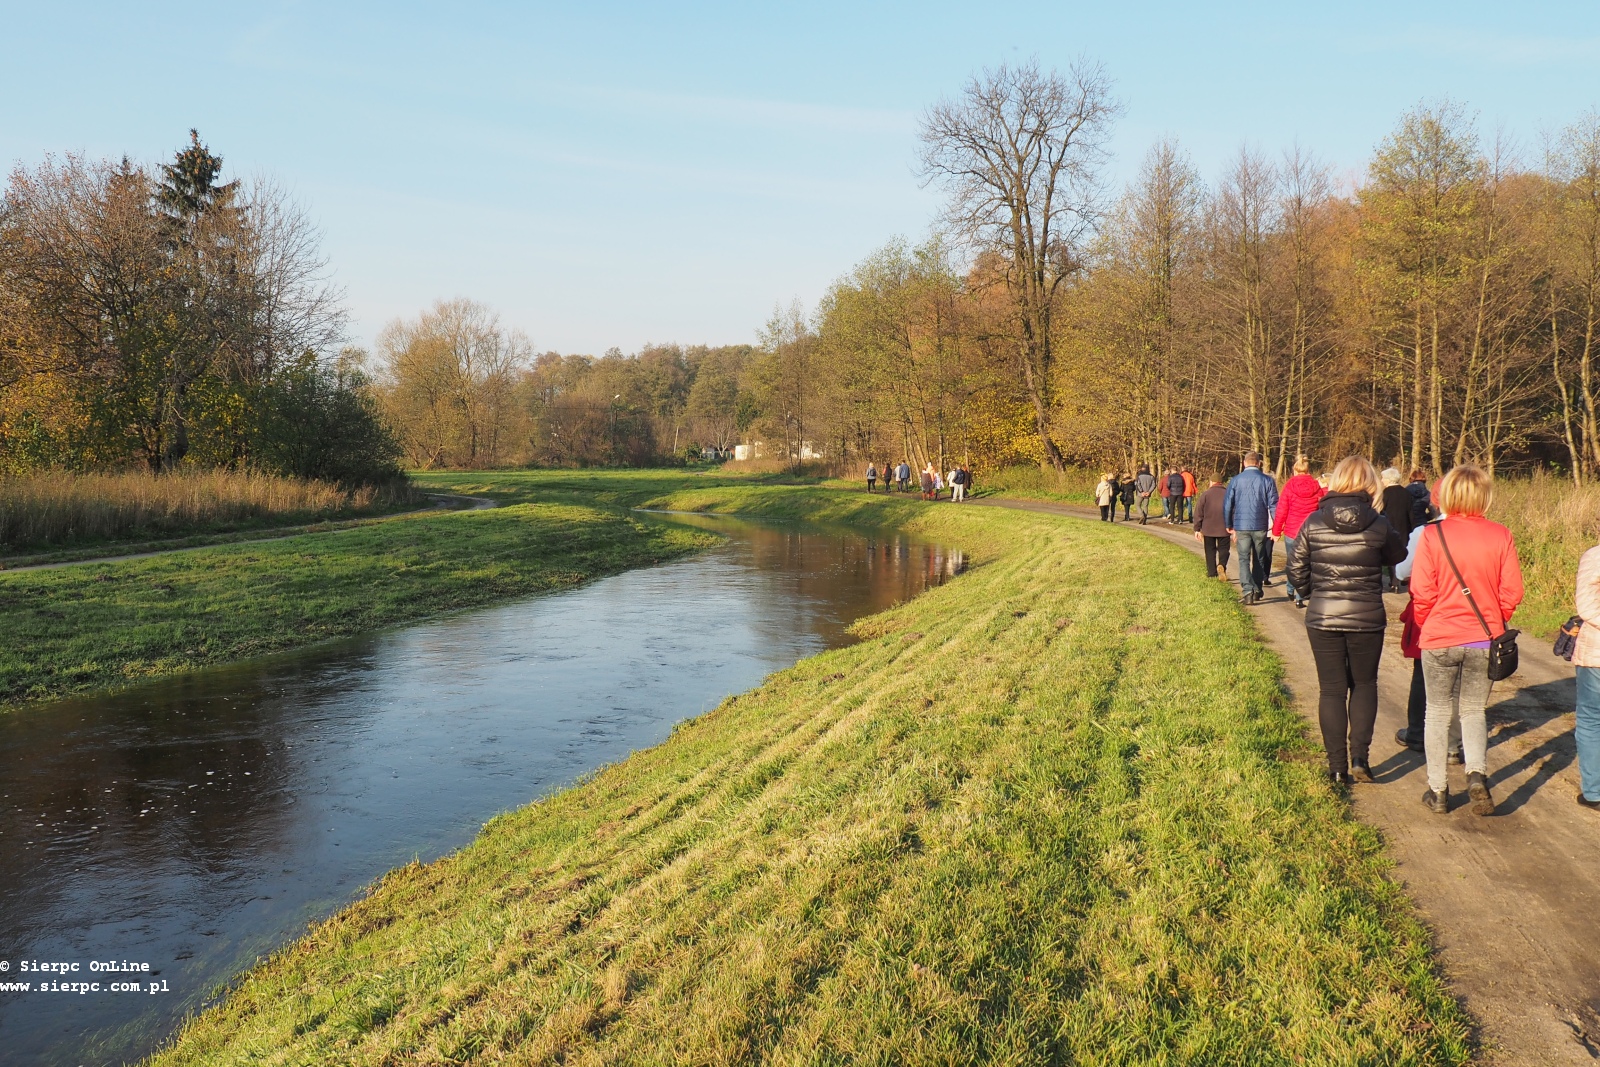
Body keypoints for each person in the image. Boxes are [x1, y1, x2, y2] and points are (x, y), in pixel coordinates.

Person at [1409, 464, 1524, 816]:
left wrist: (1427, 622)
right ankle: (1476, 774)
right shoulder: (1501, 534)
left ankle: (1438, 790)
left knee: (1438, 712)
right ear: (1484, 496)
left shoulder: (1432, 535)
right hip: (1483, 637)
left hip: (1440, 635)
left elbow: (1421, 591)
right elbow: (1512, 592)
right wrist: (1493, 616)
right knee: (1474, 710)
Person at [1286, 456, 1407, 786]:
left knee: (1332, 690)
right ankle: (1360, 761)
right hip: (1367, 616)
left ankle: (1337, 768)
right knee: (1364, 685)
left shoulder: (1313, 522)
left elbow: (1295, 570)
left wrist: (1315, 592)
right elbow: (1398, 555)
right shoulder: (1379, 524)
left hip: (1323, 617)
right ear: (1371, 484)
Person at [1225, 452, 1280, 605]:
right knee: (1259, 557)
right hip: (1260, 525)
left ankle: (1248, 591)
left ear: (1244, 463)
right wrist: (1277, 525)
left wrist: (1228, 524)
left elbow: (1228, 504)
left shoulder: (1235, 480)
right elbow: (1274, 505)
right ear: (1259, 464)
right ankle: (1257, 588)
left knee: (1243, 558)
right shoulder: (1267, 481)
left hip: (1241, 526)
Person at [1272, 455, 1324, 609]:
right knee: (1306, 564)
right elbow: (1321, 509)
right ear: (1308, 470)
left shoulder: (1289, 486)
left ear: (1295, 470)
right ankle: (1300, 597)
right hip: (1310, 532)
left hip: (1292, 532)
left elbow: (1282, 510)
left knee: (1292, 562)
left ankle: (1290, 589)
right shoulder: (1316, 487)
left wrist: (1276, 531)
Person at [1573, 537, 1600, 812]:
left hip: (1596, 653)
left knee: (1592, 720)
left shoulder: (1594, 556)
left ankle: (1595, 792)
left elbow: (1586, 607)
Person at [1379, 467, 1417, 592]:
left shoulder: (1385, 494)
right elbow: (1411, 512)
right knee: (1402, 552)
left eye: (1383, 478)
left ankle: (1394, 582)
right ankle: (1402, 578)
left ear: (1388, 479)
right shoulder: (1406, 492)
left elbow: (1381, 510)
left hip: (1389, 526)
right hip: (1404, 526)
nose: (1382, 480)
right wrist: (1413, 527)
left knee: (1390, 553)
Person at [1192, 474, 1231, 581]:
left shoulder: (1205, 494)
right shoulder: (1228, 493)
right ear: (1221, 482)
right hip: (1225, 528)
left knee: (1210, 551)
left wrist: (1197, 528)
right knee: (1224, 549)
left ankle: (1211, 573)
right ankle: (1222, 564)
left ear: (1211, 482)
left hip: (1208, 528)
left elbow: (1198, 512)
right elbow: (1234, 511)